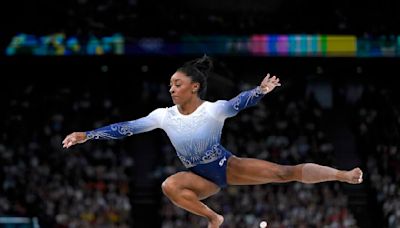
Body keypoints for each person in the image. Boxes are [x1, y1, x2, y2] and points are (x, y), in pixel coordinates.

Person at [62, 56, 363, 228]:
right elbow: (126, 128)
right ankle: (213, 218)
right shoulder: (163, 116)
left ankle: (343, 175)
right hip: (197, 177)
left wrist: (259, 91)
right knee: (169, 186)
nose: (172, 89)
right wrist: (87, 135)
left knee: (284, 173)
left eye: (177, 84)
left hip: (224, 166)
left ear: (194, 87)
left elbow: (237, 103)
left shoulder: (212, 110)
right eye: (170, 85)